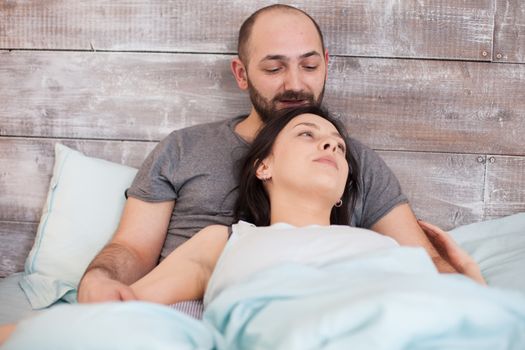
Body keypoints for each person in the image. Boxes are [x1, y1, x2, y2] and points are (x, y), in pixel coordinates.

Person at [0, 106, 486, 347]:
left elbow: (453, 314)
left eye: (338, 146)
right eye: (308, 135)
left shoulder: (376, 244)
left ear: (344, 193)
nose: (332, 147)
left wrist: (470, 283)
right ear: (264, 168)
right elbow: (122, 310)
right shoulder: (227, 240)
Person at [78, 4, 456, 304]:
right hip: (184, 307)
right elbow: (132, 247)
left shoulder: (348, 160)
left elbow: (425, 263)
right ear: (241, 74)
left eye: (310, 66)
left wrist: (466, 282)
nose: (295, 84)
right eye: (274, 68)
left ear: (326, 64)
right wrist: (101, 280)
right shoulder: (184, 148)